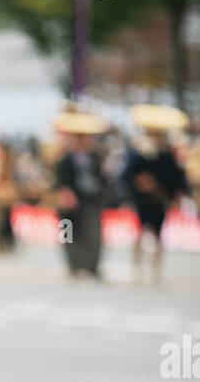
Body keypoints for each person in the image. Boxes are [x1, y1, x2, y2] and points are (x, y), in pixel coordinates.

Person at [123, 106, 192, 282]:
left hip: (159, 199)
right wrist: (139, 182)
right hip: (142, 199)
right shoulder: (138, 154)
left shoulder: (167, 156)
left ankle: (156, 269)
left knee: (159, 234)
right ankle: (136, 265)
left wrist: (178, 194)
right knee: (140, 230)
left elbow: (177, 177)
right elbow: (126, 176)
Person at [52, 110, 109, 277]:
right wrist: (64, 193)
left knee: (93, 234)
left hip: (89, 201)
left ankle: (92, 266)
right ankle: (73, 265)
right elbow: (59, 180)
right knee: (67, 234)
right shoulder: (63, 159)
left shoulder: (95, 158)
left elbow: (103, 179)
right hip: (68, 206)